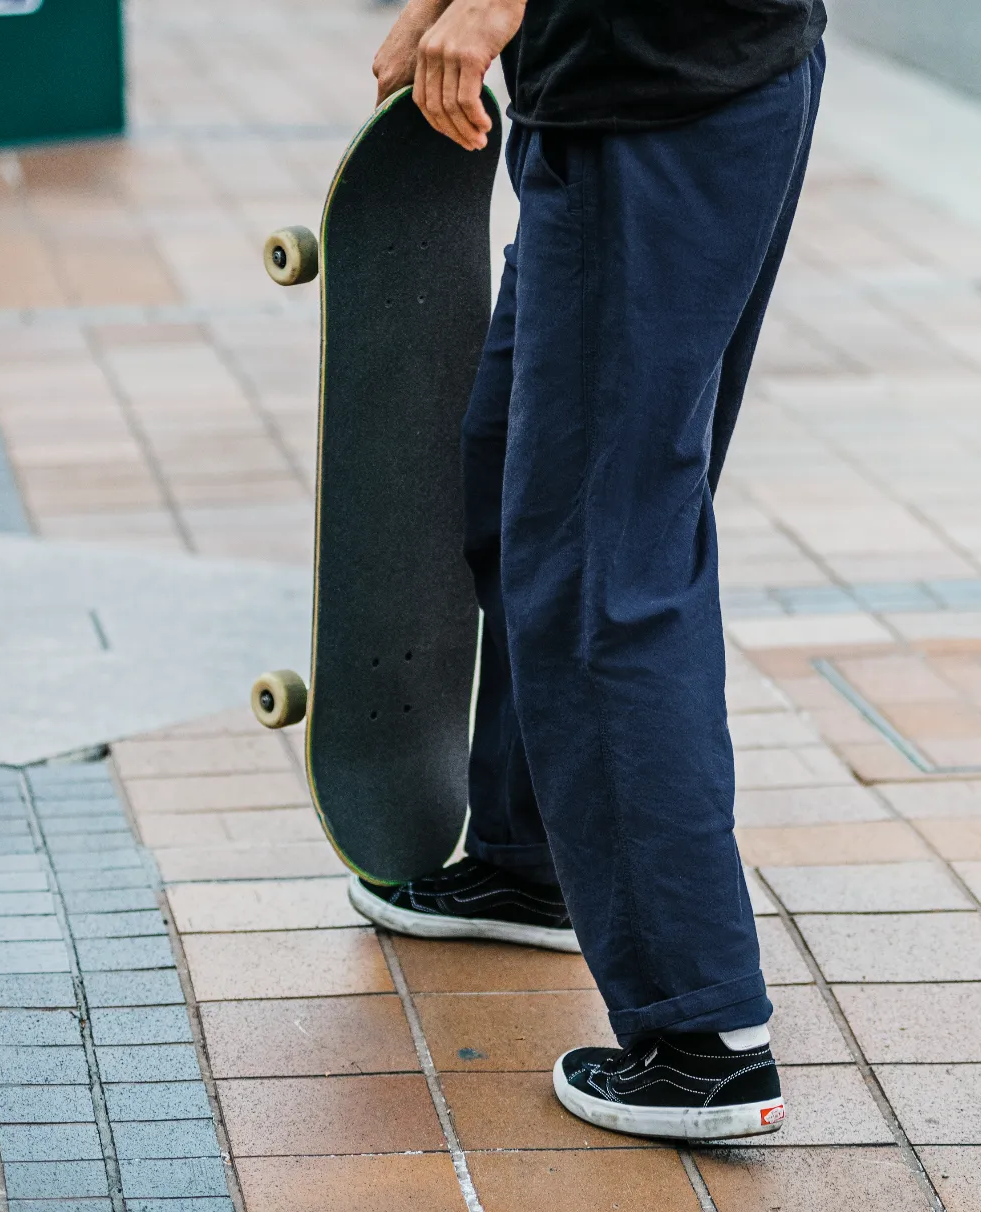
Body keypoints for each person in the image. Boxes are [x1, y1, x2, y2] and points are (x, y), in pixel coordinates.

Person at [352, 0, 825, 1141]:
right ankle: (533, 859)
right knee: (517, 472)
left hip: (657, 103)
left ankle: (702, 1036)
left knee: (606, 568)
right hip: (651, 88)